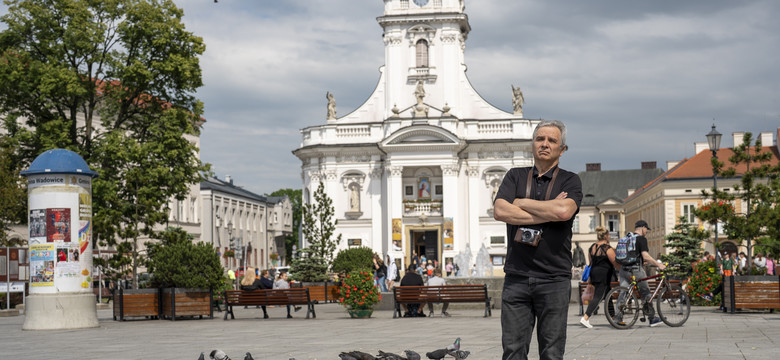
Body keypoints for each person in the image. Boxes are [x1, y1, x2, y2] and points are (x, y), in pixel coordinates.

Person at [493, 120, 582, 360]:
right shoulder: (515, 176)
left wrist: (520, 202)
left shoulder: (570, 180)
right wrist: (547, 211)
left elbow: (564, 212)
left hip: (554, 279)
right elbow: (500, 211)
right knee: (512, 352)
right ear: (532, 144)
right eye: (540, 139)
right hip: (517, 278)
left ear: (562, 150)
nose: (545, 144)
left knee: (552, 353)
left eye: (552, 140)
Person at [615, 220, 666, 327]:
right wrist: (658, 265)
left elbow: (634, 254)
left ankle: (618, 318)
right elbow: (646, 255)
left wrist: (643, 261)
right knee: (645, 292)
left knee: (623, 292)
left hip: (624, 269)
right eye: (646, 229)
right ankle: (652, 318)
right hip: (635, 270)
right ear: (642, 228)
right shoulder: (641, 239)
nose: (647, 231)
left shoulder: (626, 238)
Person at [579, 226, 619, 329]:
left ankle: (613, 317)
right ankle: (586, 317)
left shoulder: (592, 247)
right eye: (609, 235)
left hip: (594, 273)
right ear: (606, 236)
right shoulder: (607, 248)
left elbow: (591, 263)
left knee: (608, 295)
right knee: (598, 296)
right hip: (604, 275)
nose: (609, 237)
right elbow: (615, 263)